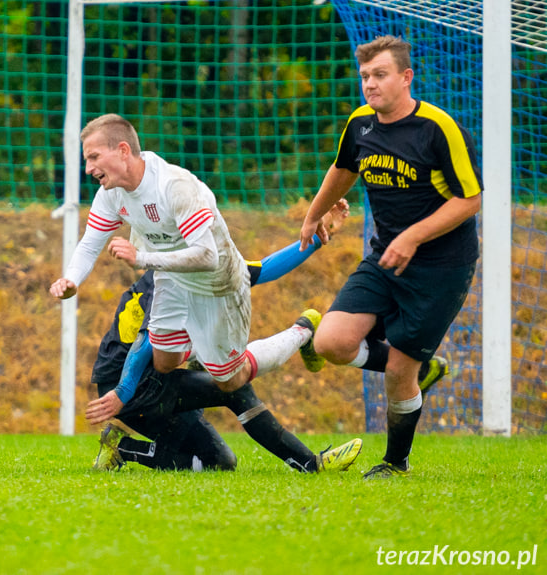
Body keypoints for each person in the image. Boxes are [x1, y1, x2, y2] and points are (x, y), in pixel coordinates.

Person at [299, 36, 482, 479]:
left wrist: (414, 237)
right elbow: (343, 169)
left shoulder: (438, 128)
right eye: (365, 76)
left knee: (400, 370)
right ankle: (424, 368)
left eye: (379, 75)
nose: (370, 85)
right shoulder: (361, 123)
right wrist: (313, 215)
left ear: (405, 77)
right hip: (385, 258)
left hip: (441, 266)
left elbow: (471, 199)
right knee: (330, 342)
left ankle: (395, 462)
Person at [88, 204, 363, 473]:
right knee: (234, 386)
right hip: (129, 385)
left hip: (156, 380)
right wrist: (122, 393)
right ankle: (310, 464)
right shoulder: (171, 277)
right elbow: (145, 342)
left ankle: (121, 447)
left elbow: (264, 268)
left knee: (219, 461)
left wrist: (317, 239)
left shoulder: (208, 263)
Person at [50, 114, 257, 394]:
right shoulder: (111, 193)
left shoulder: (173, 185)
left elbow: (209, 257)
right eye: (87, 160)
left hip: (217, 284)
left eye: (94, 157)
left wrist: (142, 259)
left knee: (230, 380)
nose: (88, 169)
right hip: (172, 277)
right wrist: (72, 279)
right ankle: (209, 351)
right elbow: (89, 243)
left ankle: (300, 332)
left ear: (123, 150)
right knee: (163, 362)